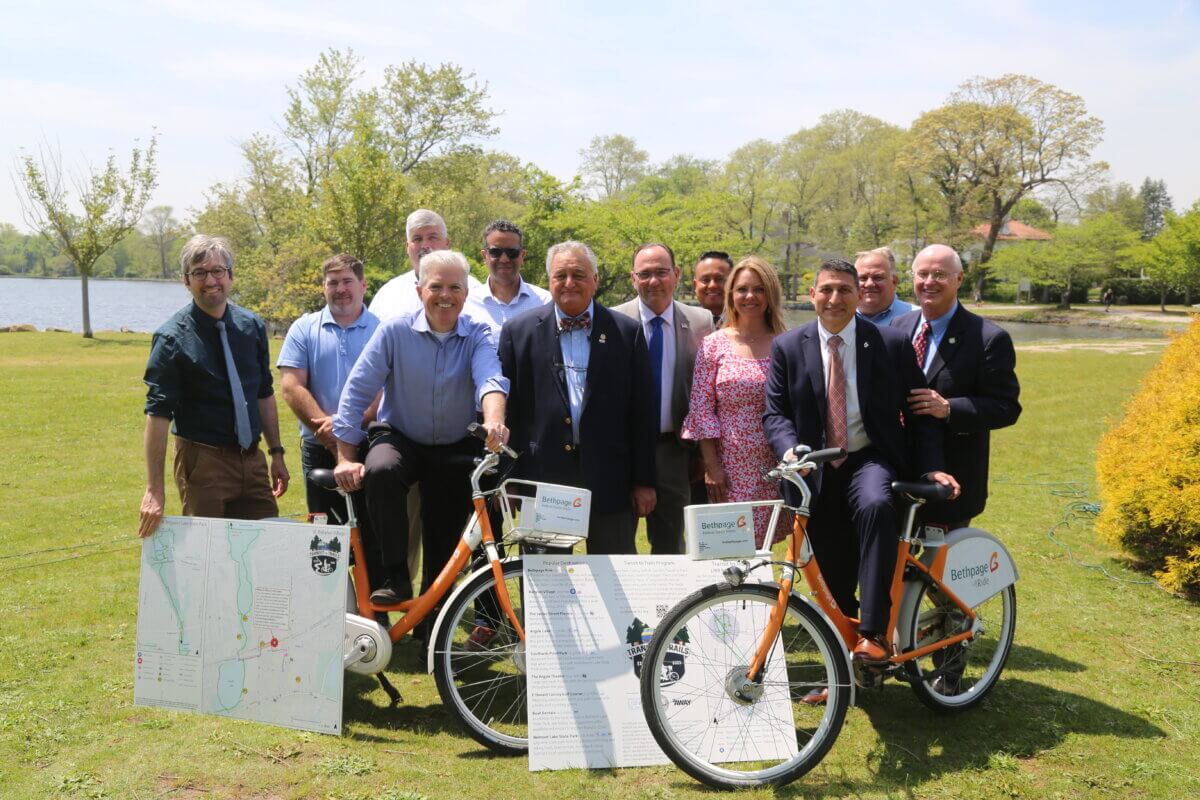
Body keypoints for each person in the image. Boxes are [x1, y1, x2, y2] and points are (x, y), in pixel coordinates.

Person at [763, 259, 959, 665]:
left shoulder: (889, 344)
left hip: (870, 458)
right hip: (813, 466)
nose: (835, 299)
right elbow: (775, 413)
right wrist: (787, 449)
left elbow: (920, 410)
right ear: (812, 294)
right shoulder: (786, 346)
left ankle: (873, 634)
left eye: (844, 290)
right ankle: (841, 664)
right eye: (827, 290)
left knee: (875, 505)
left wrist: (931, 466)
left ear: (858, 295)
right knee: (829, 566)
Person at [332, 250, 510, 605]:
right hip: (400, 436)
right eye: (436, 286)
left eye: (455, 287)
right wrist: (344, 456)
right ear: (419, 291)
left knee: (443, 533)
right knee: (381, 470)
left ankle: (433, 618)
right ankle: (396, 576)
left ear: (465, 293)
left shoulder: (478, 333)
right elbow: (357, 390)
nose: (446, 295)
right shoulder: (395, 330)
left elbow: (491, 380)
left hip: (453, 444)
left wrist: (494, 421)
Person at [498, 241, 657, 555]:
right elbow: (510, 411)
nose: (569, 283)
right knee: (547, 586)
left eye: (578, 275)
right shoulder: (519, 333)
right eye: (561, 275)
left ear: (595, 280)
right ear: (549, 281)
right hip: (544, 479)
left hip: (611, 479)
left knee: (615, 584)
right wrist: (511, 477)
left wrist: (644, 481)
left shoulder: (628, 332)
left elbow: (642, 413)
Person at [138, 235, 289, 537]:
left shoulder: (252, 327)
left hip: (252, 460)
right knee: (205, 560)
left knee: (266, 549)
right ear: (186, 281)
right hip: (202, 464)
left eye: (218, 271)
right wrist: (154, 489)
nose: (211, 280)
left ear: (231, 276)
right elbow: (157, 416)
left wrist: (276, 454)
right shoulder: (171, 339)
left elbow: (263, 393)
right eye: (200, 273)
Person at [892, 244, 1021, 530]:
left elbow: (1006, 407)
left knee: (940, 570)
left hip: (952, 479)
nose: (929, 282)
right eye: (922, 274)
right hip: (895, 475)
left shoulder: (988, 338)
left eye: (939, 274)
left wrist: (949, 408)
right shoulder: (897, 327)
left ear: (959, 279)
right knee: (892, 568)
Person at [277, 253, 384, 589]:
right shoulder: (303, 328)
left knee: (374, 534)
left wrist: (349, 425)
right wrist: (329, 427)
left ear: (363, 285)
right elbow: (291, 385)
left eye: (347, 281)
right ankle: (326, 611)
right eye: (332, 282)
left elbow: (387, 388)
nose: (340, 289)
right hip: (317, 445)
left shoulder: (382, 330)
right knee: (324, 539)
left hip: (369, 446)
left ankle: (374, 615)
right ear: (323, 286)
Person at [682, 256, 791, 548]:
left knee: (765, 552)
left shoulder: (788, 343)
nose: (750, 296)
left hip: (775, 465)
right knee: (728, 550)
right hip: (729, 466)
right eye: (742, 289)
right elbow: (701, 409)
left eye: (759, 289)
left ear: (771, 293)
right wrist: (712, 466)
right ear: (732, 294)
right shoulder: (714, 344)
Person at [614, 243, 714, 554]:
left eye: (661, 272)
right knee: (616, 542)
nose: (653, 281)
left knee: (671, 545)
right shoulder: (613, 321)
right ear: (633, 278)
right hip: (622, 451)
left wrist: (701, 451)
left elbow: (706, 389)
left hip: (674, 450)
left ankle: (670, 604)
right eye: (645, 274)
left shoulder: (701, 321)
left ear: (677, 274)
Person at [367, 209, 481, 322]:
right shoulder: (388, 295)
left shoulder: (476, 293)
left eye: (432, 237)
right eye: (417, 239)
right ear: (407, 247)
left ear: (447, 243)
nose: (425, 245)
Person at [464, 219, 551, 333]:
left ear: (522, 256)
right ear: (485, 256)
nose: (504, 259)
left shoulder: (546, 302)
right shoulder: (466, 304)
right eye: (496, 252)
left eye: (512, 252)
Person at [855, 247, 914, 324]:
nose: (869, 284)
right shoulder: (840, 318)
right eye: (862, 278)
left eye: (878, 277)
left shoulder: (918, 319)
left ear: (894, 281)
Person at [693, 251, 733, 326]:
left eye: (719, 279)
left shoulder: (747, 322)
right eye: (705, 280)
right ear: (695, 285)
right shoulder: (682, 322)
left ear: (733, 283)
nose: (712, 285)